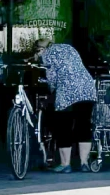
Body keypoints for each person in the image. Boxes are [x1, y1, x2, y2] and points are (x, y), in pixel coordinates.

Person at [39, 40, 97, 171]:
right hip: (87, 88)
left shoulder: (47, 54)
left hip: (67, 92)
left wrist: (50, 87)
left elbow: (52, 78)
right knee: (84, 125)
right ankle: (84, 163)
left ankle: (65, 164)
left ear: (40, 49)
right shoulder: (68, 47)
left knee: (64, 127)